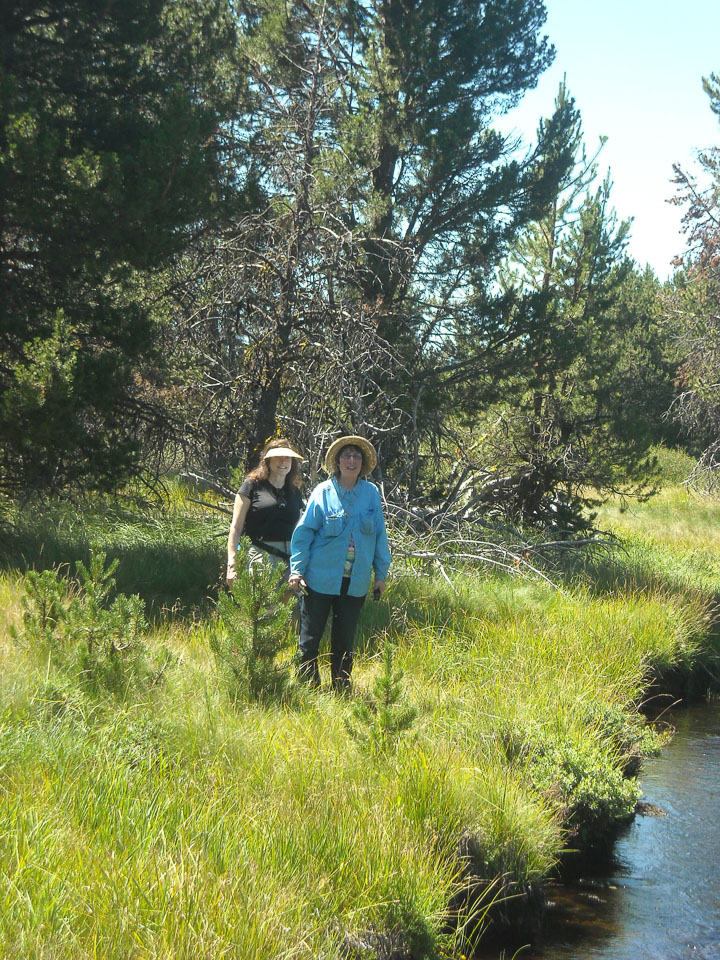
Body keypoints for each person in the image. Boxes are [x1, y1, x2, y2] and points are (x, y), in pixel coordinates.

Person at [288, 435, 391, 691]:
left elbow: (379, 536)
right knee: (310, 640)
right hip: (319, 580)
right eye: (346, 455)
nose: (352, 460)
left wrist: (380, 575)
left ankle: (341, 689)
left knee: (344, 641)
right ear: (337, 461)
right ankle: (308, 689)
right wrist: (297, 570)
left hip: (354, 583)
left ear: (363, 463)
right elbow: (303, 534)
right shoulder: (322, 492)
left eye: (357, 456)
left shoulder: (370, 494)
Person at [226, 439, 304, 583]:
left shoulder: (294, 491)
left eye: (287, 457)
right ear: (267, 460)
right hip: (260, 557)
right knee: (263, 605)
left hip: (290, 560)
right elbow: (236, 528)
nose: (283, 461)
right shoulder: (251, 486)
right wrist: (232, 563)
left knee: (288, 605)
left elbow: (300, 529)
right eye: (278, 457)